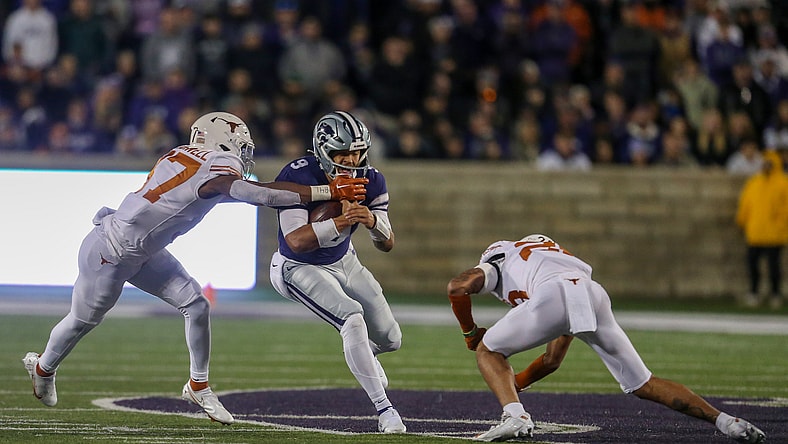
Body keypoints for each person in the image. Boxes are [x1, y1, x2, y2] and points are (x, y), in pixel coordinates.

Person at [22, 111, 368, 425]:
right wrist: (325, 190)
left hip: (143, 248)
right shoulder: (215, 164)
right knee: (82, 321)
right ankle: (43, 367)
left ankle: (198, 385)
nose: (243, 154)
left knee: (196, 304)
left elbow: (236, 191)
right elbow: (256, 195)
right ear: (221, 140)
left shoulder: (183, 154)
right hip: (111, 251)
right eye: (240, 145)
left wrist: (296, 192)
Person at [446, 234, 766, 443]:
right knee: (644, 383)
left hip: (554, 293)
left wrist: (470, 332)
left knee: (488, 351)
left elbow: (457, 288)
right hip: (592, 293)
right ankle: (728, 422)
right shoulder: (550, 260)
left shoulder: (500, 261)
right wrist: (517, 382)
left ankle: (515, 416)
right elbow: (552, 360)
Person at [268, 111, 406, 434]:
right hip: (296, 266)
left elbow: (387, 243)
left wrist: (371, 221)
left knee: (391, 338)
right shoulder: (298, 176)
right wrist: (341, 221)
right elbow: (296, 241)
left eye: (357, 152)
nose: (351, 160)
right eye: (342, 153)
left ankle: (363, 358)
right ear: (322, 152)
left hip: (345, 260)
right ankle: (386, 411)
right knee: (352, 318)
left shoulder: (372, 179)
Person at [735, 150, 788, 309]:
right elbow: (745, 203)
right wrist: (742, 221)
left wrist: (781, 225)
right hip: (755, 232)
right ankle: (754, 292)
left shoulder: (783, 183)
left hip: (774, 235)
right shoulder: (754, 182)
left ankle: (775, 294)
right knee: (752, 265)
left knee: (774, 267)